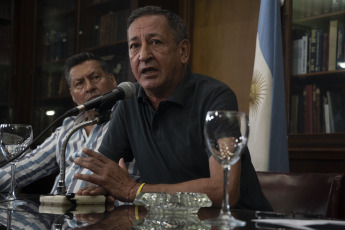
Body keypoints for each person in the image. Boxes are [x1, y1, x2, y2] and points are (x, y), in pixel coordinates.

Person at [74, 6, 271, 211]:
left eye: (155, 42)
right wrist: (98, 189)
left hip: (238, 222)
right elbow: (102, 174)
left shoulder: (215, 97)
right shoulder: (128, 101)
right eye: (134, 46)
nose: (143, 55)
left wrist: (135, 191)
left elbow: (224, 190)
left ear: (183, 51)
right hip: (172, 221)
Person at [0, 52, 139, 194]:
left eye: (95, 77)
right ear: (72, 94)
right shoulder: (68, 127)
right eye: (79, 83)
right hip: (55, 212)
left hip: (108, 213)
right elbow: (26, 165)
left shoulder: (132, 119)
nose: (89, 87)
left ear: (112, 79)